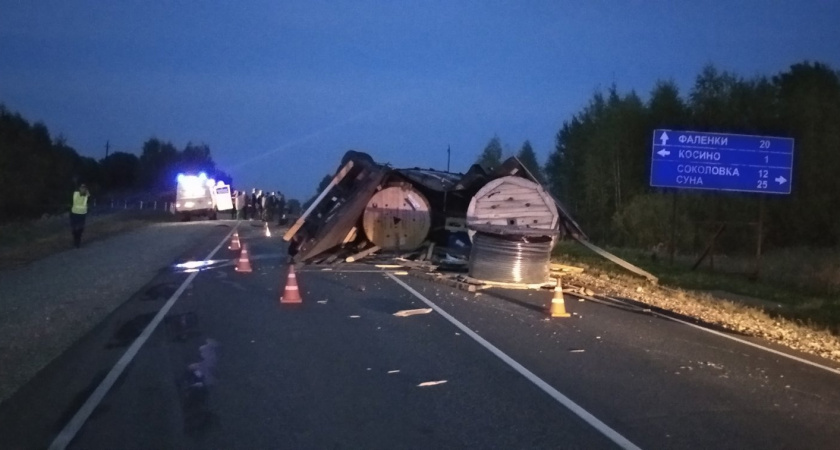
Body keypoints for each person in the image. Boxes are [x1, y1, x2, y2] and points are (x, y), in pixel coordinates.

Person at [70, 183, 89, 248]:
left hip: (82, 214)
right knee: (74, 229)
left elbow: (88, 196)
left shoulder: (86, 195)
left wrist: (86, 192)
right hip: (75, 213)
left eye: (84, 188)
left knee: (80, 229)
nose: (83, 189)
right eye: (82, 188)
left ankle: (78, 242)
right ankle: (76, 240)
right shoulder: (76, 194)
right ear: (79, 189)